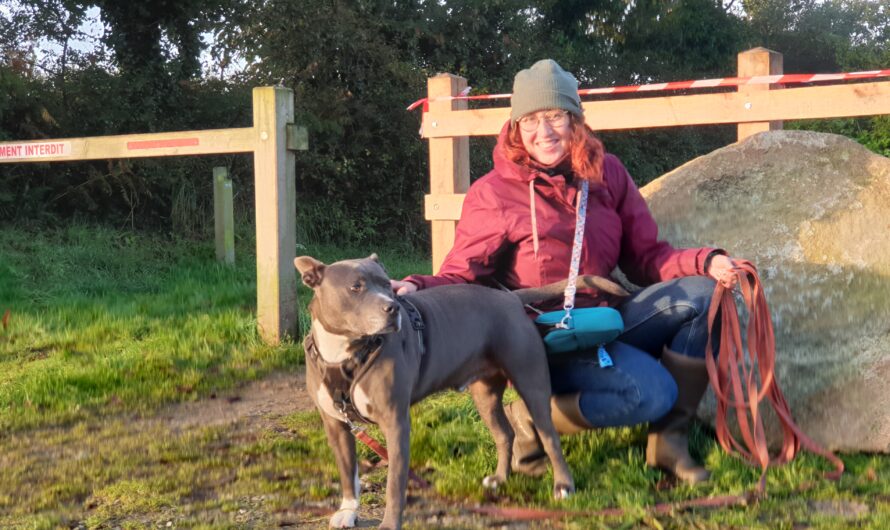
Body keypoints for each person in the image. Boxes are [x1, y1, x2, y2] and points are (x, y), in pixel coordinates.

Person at [391, 59, 740, 484]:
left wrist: (705, 261)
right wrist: (416, 286)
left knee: (702, 296)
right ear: (516, 126)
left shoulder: (607, 173)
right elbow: (462, 276)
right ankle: (530, 419)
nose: (545, 131)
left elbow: (646, 256)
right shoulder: (494, 193)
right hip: (540, 339)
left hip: (604, 317)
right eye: (532, 119)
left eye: (555, 115)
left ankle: (670, 444)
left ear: (574, 119)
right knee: (651, 393)